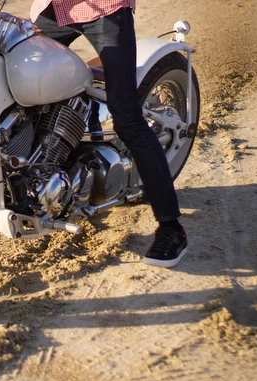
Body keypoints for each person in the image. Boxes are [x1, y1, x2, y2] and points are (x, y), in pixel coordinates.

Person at [30, 0, 188, 267]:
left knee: (127, 118)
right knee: (25, 89)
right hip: (54, 7)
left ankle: (171, 227)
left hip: (105, 7)